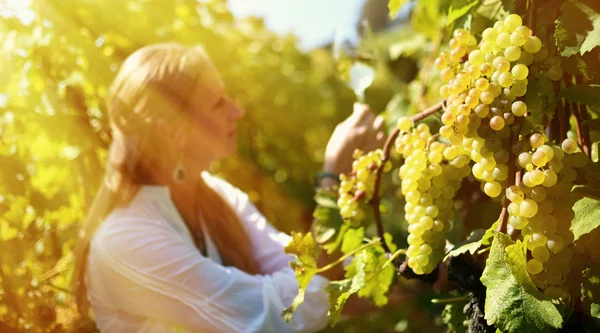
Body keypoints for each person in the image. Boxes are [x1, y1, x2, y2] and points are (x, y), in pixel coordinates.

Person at [71, 43, 387, 333]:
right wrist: (332, 181)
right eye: (217, 102)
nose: (237, 111)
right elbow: (279, 313)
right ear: (173, 131)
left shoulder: (217, 194)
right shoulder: (126, 241)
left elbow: (306, 269)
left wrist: (415, 275)